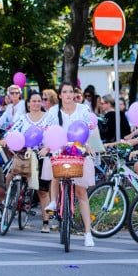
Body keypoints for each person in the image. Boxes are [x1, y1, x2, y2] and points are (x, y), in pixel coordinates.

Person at [40, 81, 98, 246]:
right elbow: (46, 130)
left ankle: (88, 233)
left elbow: (89, 129)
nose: (67, 95)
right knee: (56, 171)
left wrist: (87, 145)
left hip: (78, 150)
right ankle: (53, 201)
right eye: (64, 92)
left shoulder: (83, 109)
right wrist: (47, 147)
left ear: (74, 94)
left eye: (70, 92)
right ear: (59, 95)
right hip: (59, 149)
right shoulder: (53, 111)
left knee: (81, 193)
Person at [6, 91, 51, 229]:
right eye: (34, 101)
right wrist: (5, 140)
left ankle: (46, 222)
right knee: (10, 174)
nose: (37, 103)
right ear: (28, 103)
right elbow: (12, 131)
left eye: (39, 101)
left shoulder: (48, 117)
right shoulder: (22, 118)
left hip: (42, 155)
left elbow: (54, 134)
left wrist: (47, 148)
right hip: (24, 153)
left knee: (42, 191)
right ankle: (8, 202)